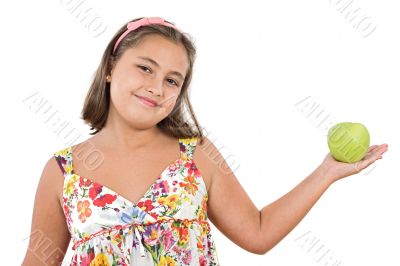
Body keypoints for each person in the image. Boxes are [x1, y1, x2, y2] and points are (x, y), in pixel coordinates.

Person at [22, 17, 388, 266]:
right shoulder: (62, 171)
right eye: (145, 68)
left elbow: (258, 234)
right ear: (110, 68)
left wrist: (326, 172)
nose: (156, 87)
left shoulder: (195, 155)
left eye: (172, 80)